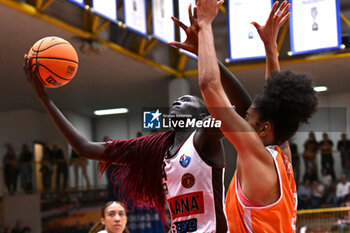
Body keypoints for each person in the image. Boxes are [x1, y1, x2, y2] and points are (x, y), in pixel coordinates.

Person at [23, 8, 252, 231]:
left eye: (186, 99)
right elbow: (85, 148)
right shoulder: (158, 149)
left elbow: (244, 109)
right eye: (177, 99)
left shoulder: (205, 135)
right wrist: (44, 98)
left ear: (202, 116)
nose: (177, 102)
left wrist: (206, 53)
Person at [196, 0, 317, 232]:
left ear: (263, 130)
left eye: (247, 116)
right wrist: (270, 47)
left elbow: (209, 86)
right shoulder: (282, 158)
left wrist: (205, 23)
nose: (242, 118)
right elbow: (275, 98)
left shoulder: (257, 156)